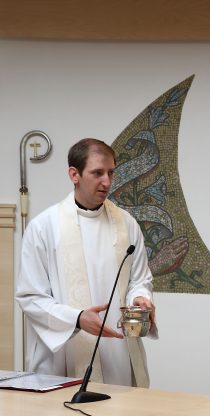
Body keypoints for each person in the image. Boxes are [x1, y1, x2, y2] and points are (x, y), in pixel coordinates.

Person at [16, 138, 156, 387]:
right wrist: (77, 318)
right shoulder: (44, 227)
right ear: (74, 174)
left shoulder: (126, 224)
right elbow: (31, 297)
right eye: (97, 173)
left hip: (119, 354)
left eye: (111, 172)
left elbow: (139, 279)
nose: (107, 181)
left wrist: (140, 298)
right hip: (64, 355)